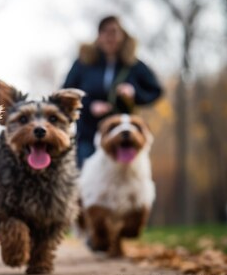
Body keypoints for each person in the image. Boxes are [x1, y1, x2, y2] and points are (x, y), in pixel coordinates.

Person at [64, 15, 163, 167]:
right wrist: (89, 105)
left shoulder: (133, 64)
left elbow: (156, 91)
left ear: (123, 35)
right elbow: (66, 93)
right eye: (105, 32)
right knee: (85, 179)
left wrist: (134, 93)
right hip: (88, 134)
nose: (110, 37)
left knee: (121, 181)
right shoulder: (83, 63)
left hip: (123, 137)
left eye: (115, 32)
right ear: (98, 36)